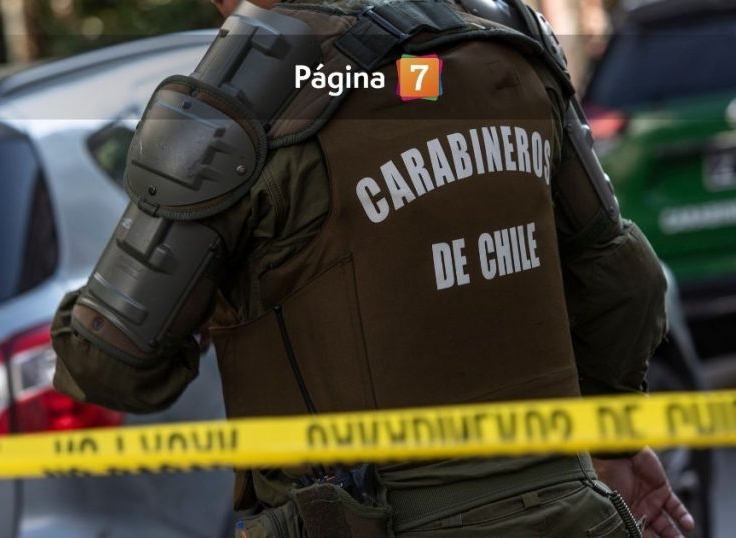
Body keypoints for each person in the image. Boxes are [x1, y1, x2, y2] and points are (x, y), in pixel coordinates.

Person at [50, 0, 696, 536]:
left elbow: (110, 362)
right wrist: (611, 442)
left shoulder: (249, 95)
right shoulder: (504, 35)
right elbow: (628, 285)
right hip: (570, 512)